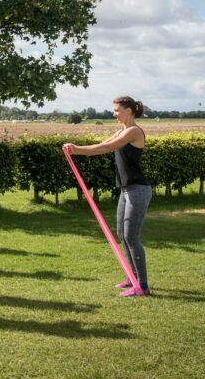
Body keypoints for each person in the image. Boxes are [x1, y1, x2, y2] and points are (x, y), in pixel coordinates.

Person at [62, 96, 152, 297]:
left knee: (131, 237)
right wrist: (76, 150)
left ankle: (143, 286)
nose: (114, 114)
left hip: (138, 189)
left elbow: (106, 148)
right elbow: (102, 144)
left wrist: (76, 149)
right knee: (122, 235)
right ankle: (132, 278)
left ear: (128, 110)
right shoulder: (121, 131)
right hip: (126, 190)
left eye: (117, 110)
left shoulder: (133, 132)